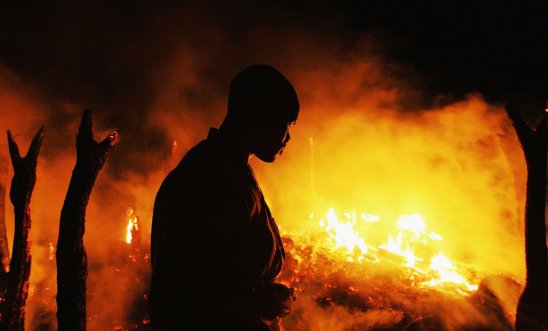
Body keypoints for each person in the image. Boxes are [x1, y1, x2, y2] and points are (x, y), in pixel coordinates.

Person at [149, 65, 299, 330]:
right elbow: (192, 293)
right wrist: (258, 302)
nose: (288, 137)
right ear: (256, 115)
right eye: (284, 123)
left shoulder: (233, 169)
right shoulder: (207, 178)